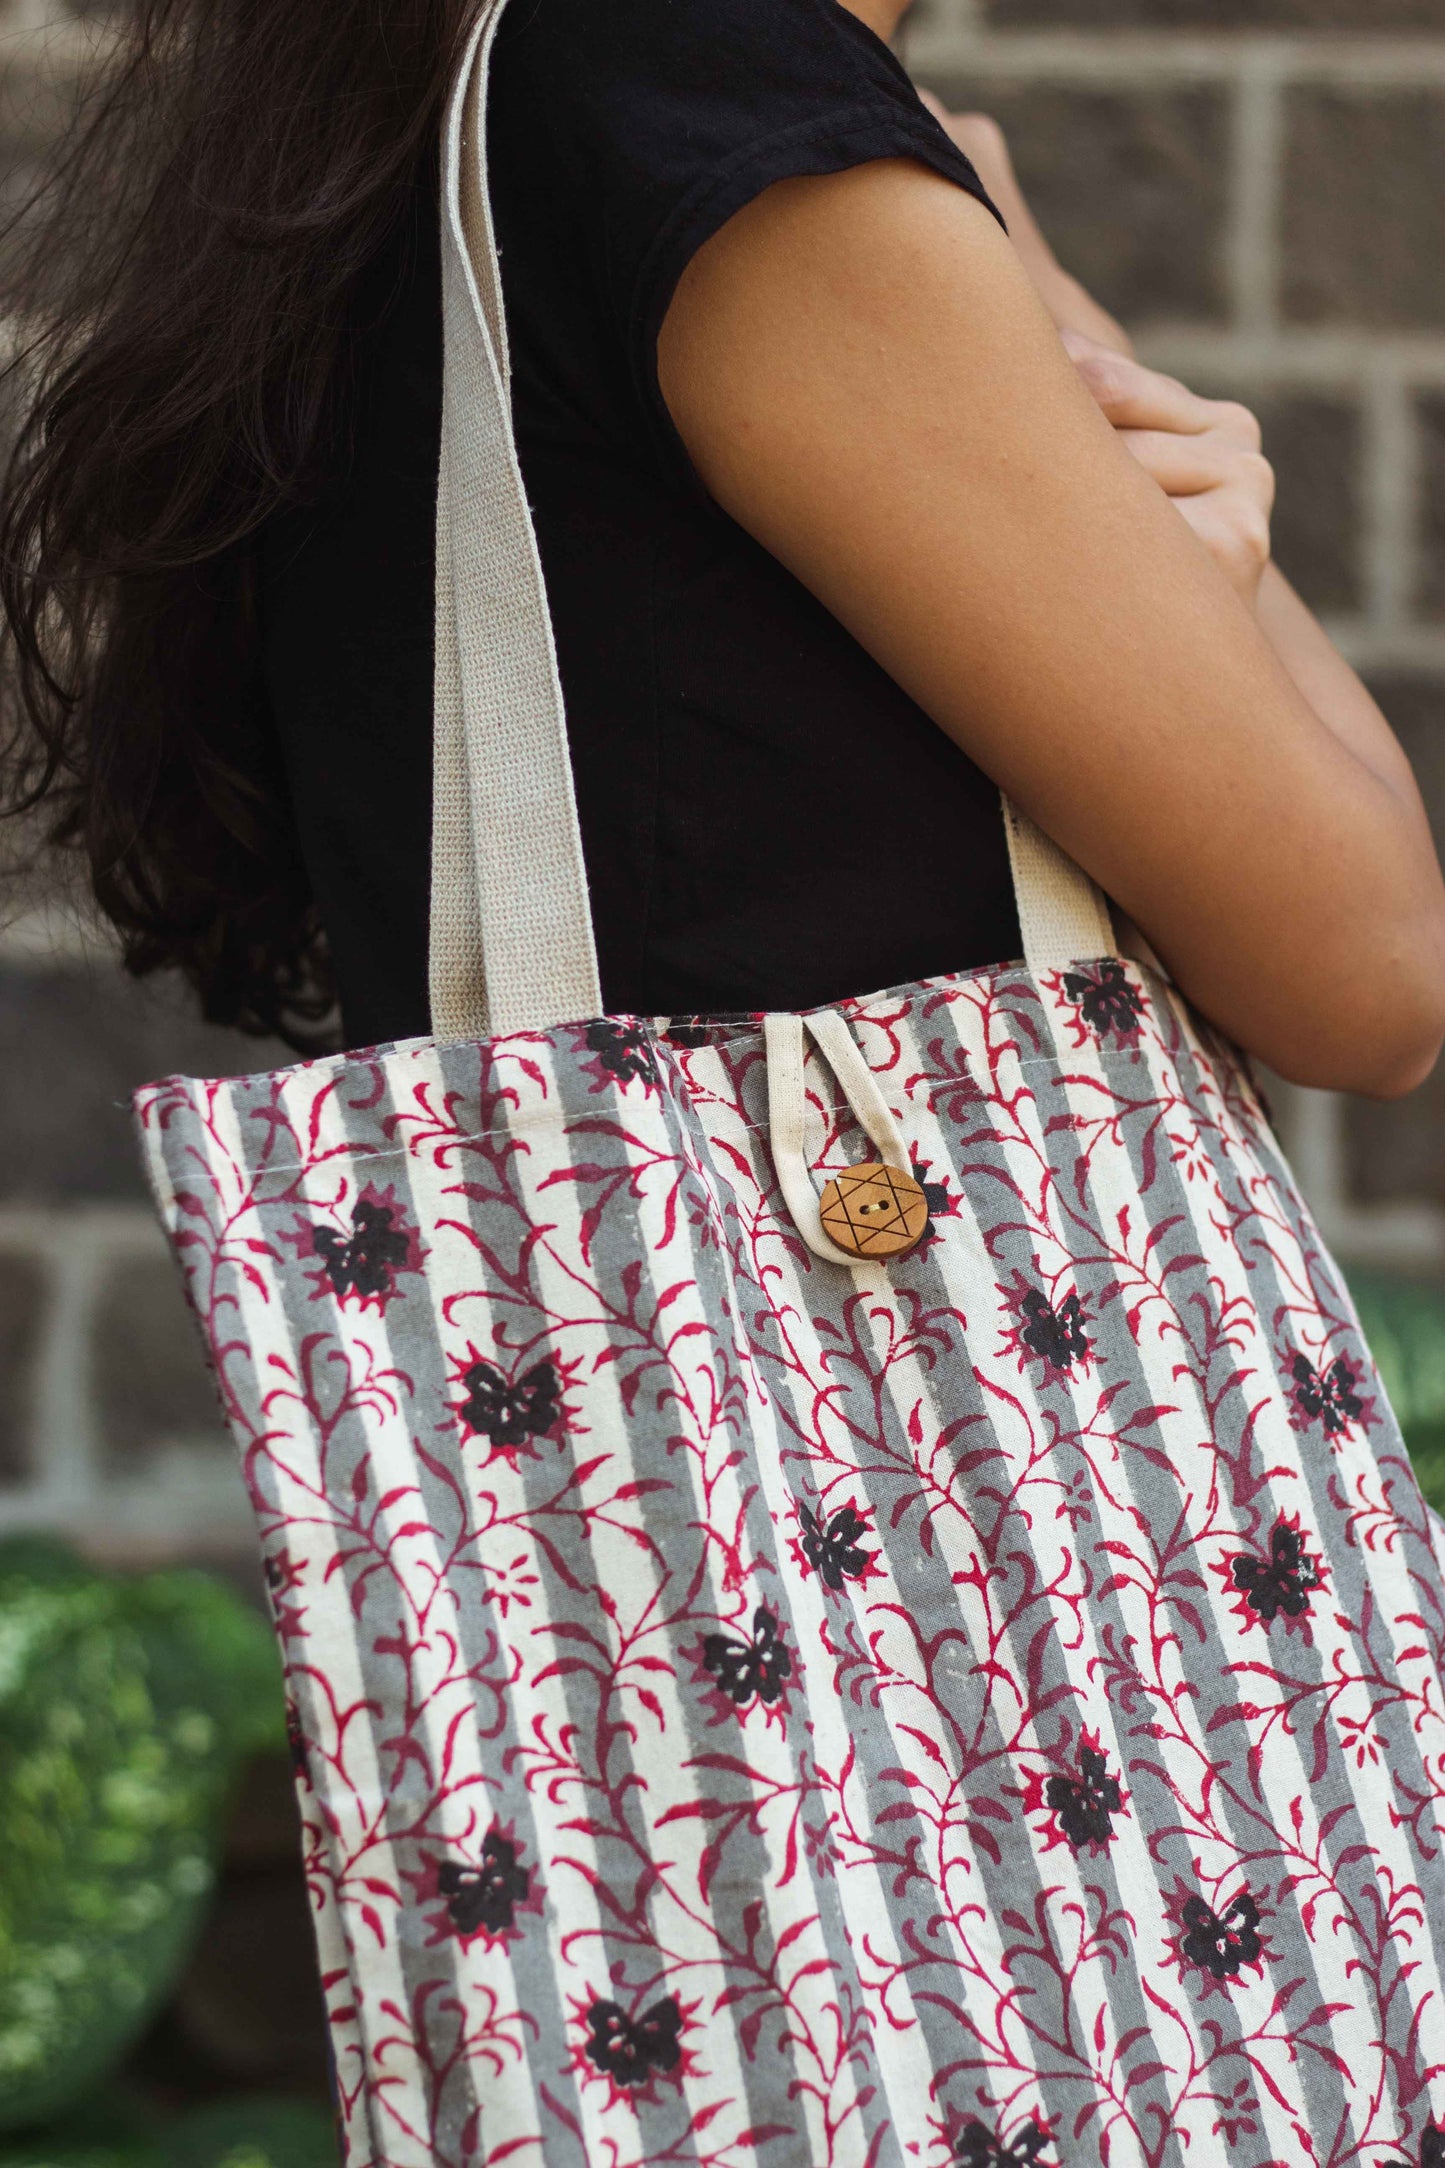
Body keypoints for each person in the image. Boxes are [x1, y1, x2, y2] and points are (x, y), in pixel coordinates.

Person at [2, 0, 1442, 1101]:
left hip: (608, 1383)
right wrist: (1063, 312)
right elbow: (1378, 980)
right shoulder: (726, 108)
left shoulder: (483, 95)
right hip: (917, 1392)